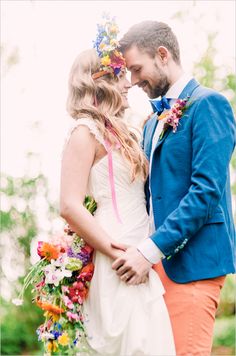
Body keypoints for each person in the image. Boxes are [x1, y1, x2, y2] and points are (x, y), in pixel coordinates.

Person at [112, 20, 236, 356]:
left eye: (137, 69)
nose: (134, 81)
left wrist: (150, 250)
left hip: (192, 266)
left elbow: (206, 193)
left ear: (162, 54)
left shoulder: (209, 105)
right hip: (153, 268)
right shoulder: (152, 122)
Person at [60, 17, 175, 355]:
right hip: (118, 255)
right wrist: (115, 252)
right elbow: (69, 204)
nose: (130, 84)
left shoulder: (125, 130)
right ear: (102, 82)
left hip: (142, 251)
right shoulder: (84, 132)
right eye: (121, 76)